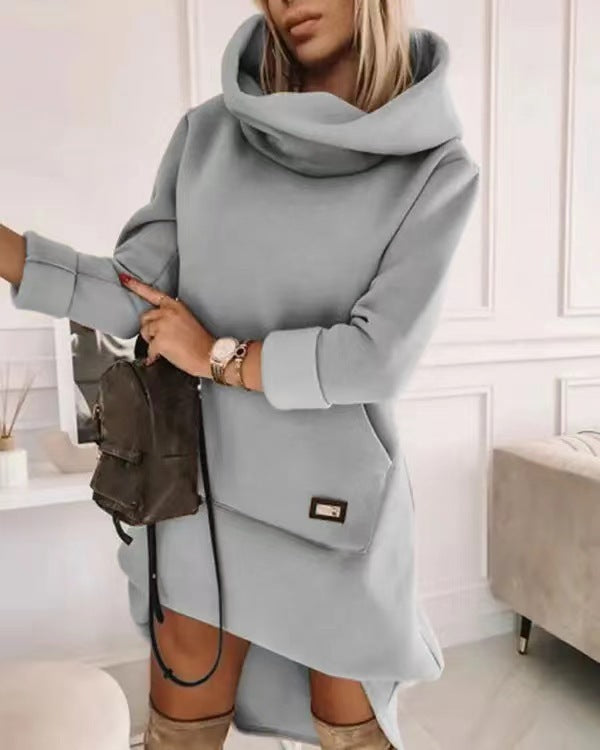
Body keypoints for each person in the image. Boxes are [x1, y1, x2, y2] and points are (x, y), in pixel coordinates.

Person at [0, 1, 479, 748]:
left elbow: (376, 356)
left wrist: (216, 356)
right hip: (199, 497)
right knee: (179, 736)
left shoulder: (434, 168)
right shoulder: (208, 134)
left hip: (336, 512)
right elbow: (137, 294)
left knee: (355, 736)